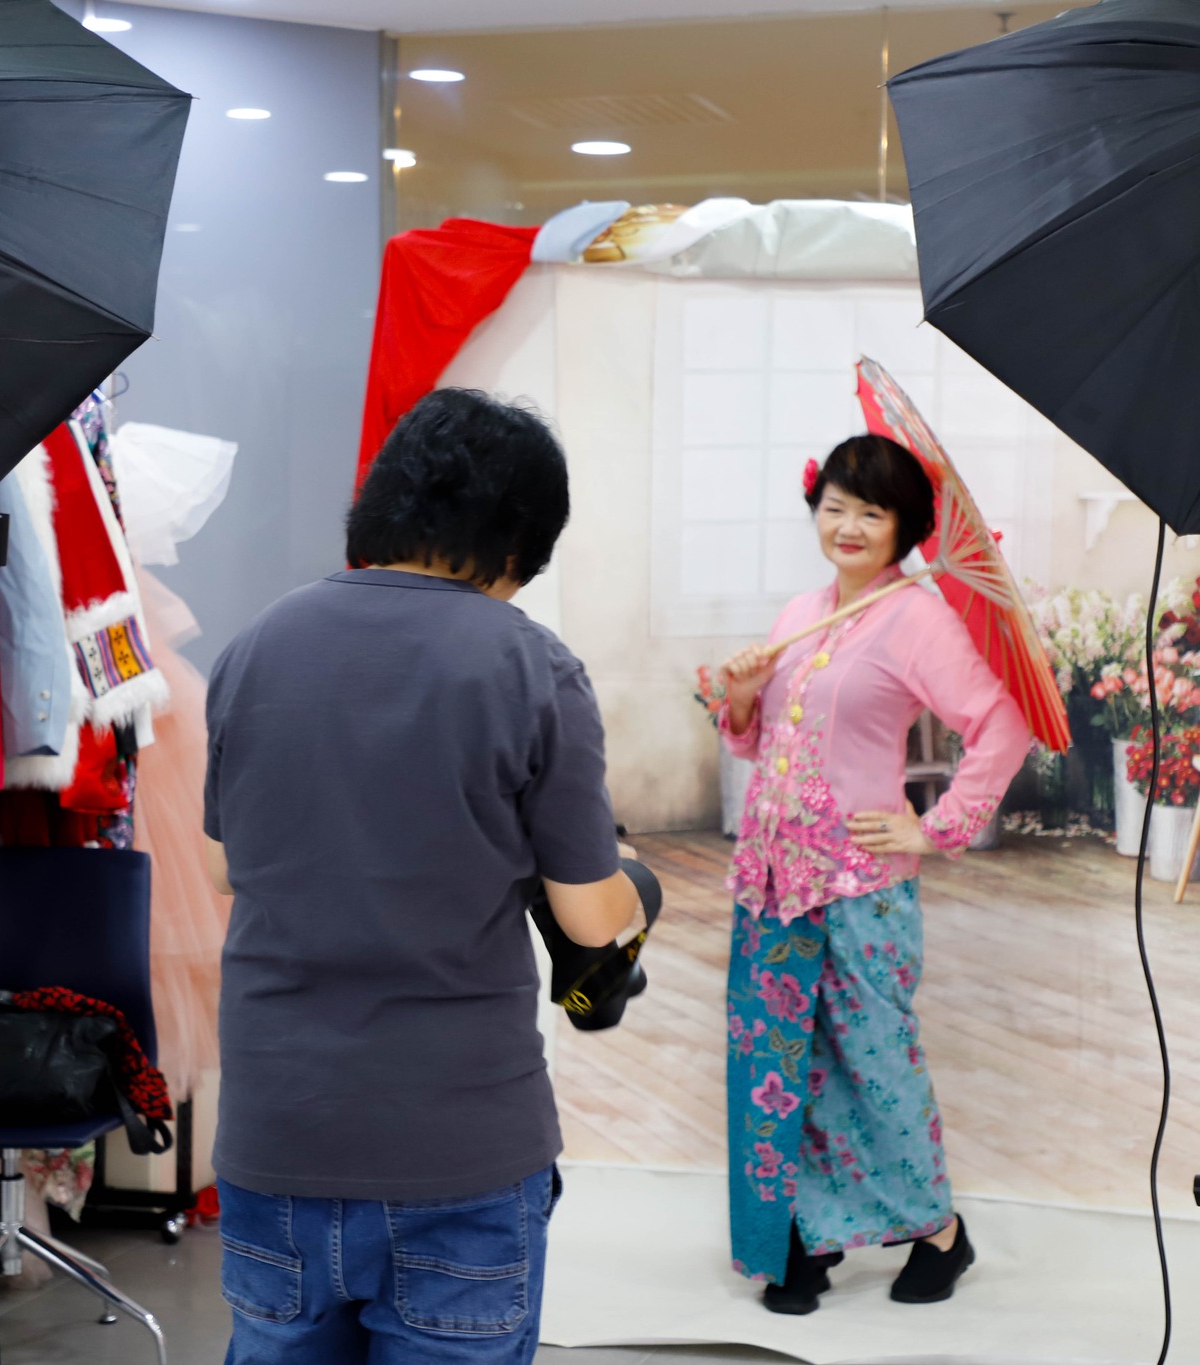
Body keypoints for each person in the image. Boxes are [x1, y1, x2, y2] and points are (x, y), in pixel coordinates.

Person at [201, 388, 640, 1364]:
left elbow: (225, 865)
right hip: (459, 1147)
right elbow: (588, 916)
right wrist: (631, 882)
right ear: (518, 539)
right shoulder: (531, 665)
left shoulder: (254, 646)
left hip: (278, 1134)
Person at [717, 435, 1031, 1313]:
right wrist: (741, 695)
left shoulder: (918, 619)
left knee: (872, 1062)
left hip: (861, 886)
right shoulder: (799, 611)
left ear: (904, 527)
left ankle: (939, 1232)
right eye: (835, 506)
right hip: (773, 882)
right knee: (781, 1067)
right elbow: (758, 742)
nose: (848, 525)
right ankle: (802, 1236)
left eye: (872, 511)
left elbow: (1001, 724)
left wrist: (934, 827)